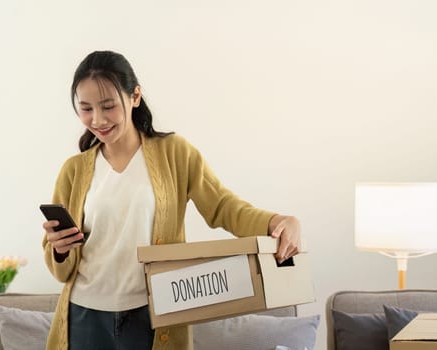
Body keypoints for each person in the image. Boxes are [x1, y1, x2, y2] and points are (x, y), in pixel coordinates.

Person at [41, 50, 302, 350]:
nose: (97, 119)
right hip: (84, 316)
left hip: (153, 315)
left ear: (134, 97)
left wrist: (277, 222)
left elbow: (223, 207)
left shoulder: (174, 152)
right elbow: (60, 268)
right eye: (86, 109)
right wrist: (59, 250)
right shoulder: (74, 170)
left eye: (108, 106)